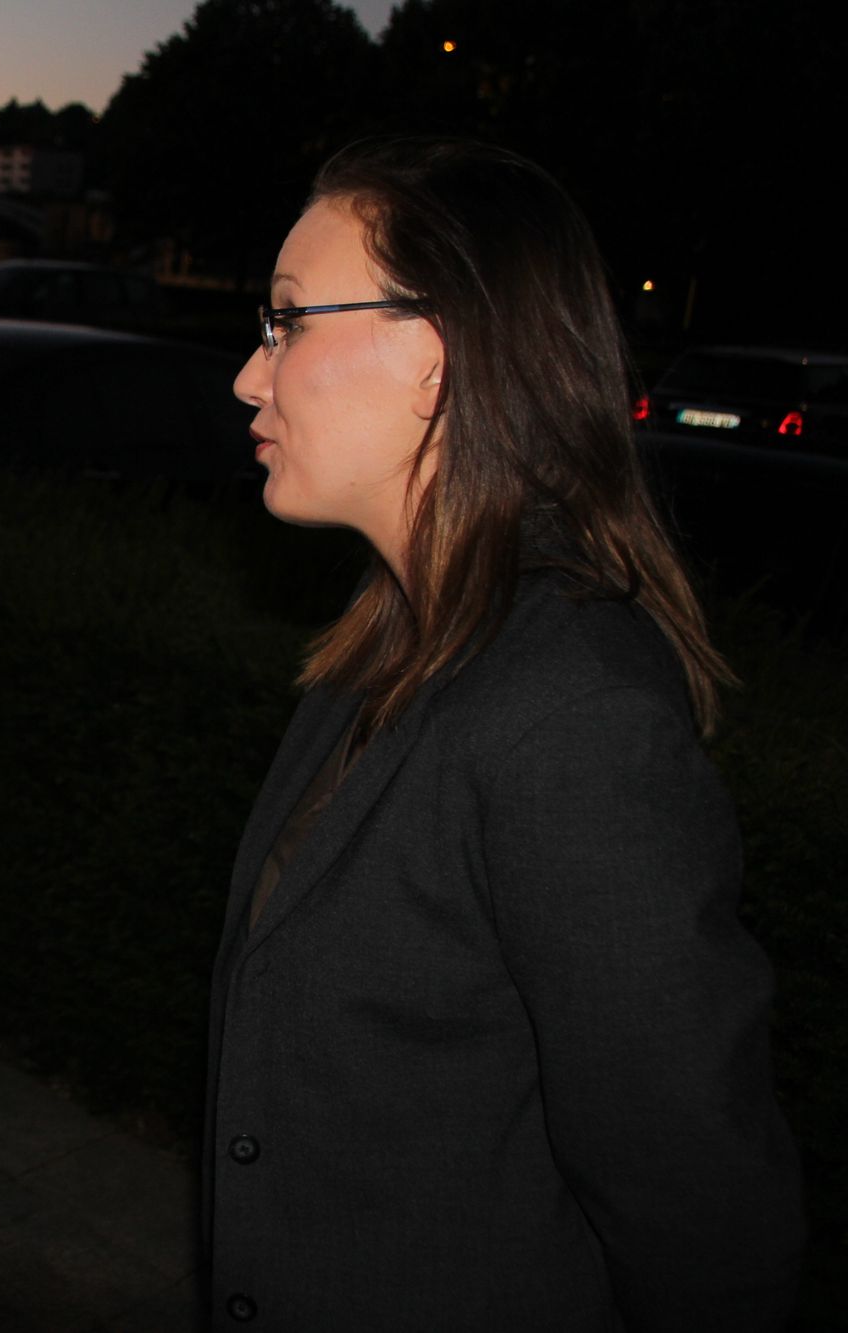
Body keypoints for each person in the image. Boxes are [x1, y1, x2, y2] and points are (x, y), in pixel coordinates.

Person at [204, 136, 804, 1331]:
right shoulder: (387, 647)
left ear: (437, 352)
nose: (245, 377)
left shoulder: (568, 716)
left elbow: (699, 1213)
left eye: (284, 323)